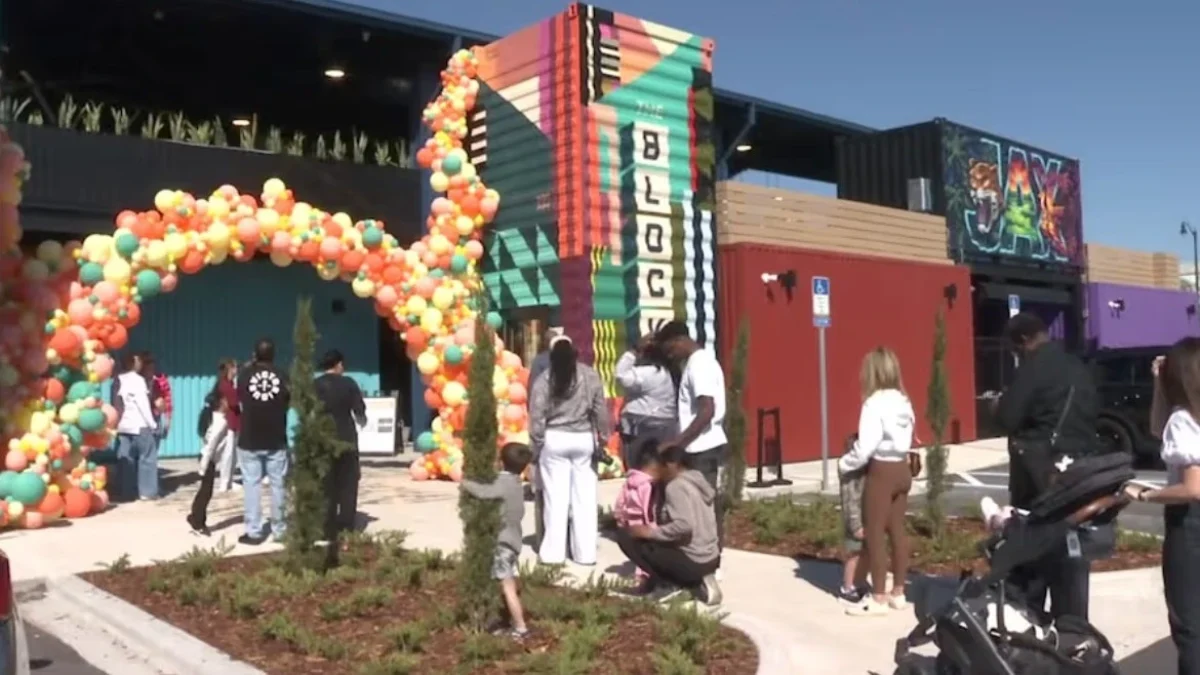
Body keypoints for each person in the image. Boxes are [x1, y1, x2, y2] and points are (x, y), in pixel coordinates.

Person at [994, 312, 1099, 621]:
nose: (1015, 355)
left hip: (1036, 470)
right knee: (1070, 547)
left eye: (1014, 349)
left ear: (1023, 341)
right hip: (1075, 469)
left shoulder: (1033, 368)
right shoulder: (1076, 367)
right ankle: (1072, 624)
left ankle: (1033, 618)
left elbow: (1008, 419)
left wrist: (998, 405)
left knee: (1033, 543)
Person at [1124, 340, 1200, 674]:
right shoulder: (1182, 418)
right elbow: (1159, 429)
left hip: (1191, 526)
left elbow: (1192, 489)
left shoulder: (1185, 420)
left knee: (1190, 625)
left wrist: (1145, 495)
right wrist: (1159, 385)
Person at [528, 334, 609, 566]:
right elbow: (600, 412)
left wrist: (536, 445)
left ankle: (553, 554)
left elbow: (537, 416)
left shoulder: (545, 379)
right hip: (583, 439)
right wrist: (602, 440)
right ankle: (586, 554)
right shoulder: (590, 376)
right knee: (585, 499)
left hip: (554, 439)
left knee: (556, 499)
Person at [617, 444, 722, 605]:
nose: (658, 470)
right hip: (711, 558)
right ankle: (696, 582)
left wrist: (649, 533)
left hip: (694, 559)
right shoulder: (697, 481)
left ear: (672, 465)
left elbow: (684, 526)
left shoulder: (676, 487)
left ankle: (671, 584)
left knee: (627, 536)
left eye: (661, 465)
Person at [655, 321, 727, 549]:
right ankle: (705, 552)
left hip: (702, 448)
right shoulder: (699, 362)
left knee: (702, 506)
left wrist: (678, 442)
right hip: (698, 446)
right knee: (699, 505)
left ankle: (710, 556)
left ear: (679, 340)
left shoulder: (699, 365)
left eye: (670, 350)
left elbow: (707, 410)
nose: (670, 356)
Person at [460, 443, 534, 640]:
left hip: (502, 544)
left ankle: (521, 628)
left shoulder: (504, 483)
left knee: (507, 588)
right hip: (513, 542)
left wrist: (465, 481)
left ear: (500, 462)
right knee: (507, 584)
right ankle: (508, 622)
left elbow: (484, 493)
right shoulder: (517, 483)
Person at [237, 338, 291, 546]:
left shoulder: (244, 375)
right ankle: (280, 530)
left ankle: (254, 532)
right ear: (273, 354)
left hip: (250, 437)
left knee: (252, 485)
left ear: (255, 354)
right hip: (276, 437)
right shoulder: (282, 375)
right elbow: (288, 400)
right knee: (279, 485)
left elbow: (241, 397)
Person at [315, 349, 367, 541]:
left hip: (324, 436)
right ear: (337, 364)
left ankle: (325, 526)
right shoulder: (349, 384)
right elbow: (360, 412)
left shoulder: (316, 385)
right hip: (346, 436)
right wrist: (362, 420)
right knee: (348, 482)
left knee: (325, 483)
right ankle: (346, 525)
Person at [614, 334, 678, 468]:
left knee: (639, 467)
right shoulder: (670, 373)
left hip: (641, 426)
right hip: (667, 424)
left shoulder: (649, 372)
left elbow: (621, 374)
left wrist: (634, 350)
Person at [613, 438, 663, 590]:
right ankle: (645, 579)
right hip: (644, 524)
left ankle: (642, 577)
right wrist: (652, 526)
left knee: (637, 551)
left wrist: (620, 518)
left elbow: (620, 502)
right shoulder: (648, 485)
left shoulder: (630, 481)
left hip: (631, 522)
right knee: (646, 553)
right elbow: (648, 507)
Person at [111, 352, 158, 501]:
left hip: (124, 426)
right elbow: (143, 404)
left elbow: (116, 403)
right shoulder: (138, 380)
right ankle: (147, 492)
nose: (140, 364)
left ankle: (126, 491)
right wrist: (152, 423)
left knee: (126, 459)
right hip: (140, 425)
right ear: (133, 364)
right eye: (138, 361)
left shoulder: (118, 380)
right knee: (147, 458)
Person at [188, 388, 231, 536]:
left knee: (205, 491)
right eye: (226, 400)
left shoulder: (217, 417)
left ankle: (195, 517)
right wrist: (204, 466)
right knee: (206, 492)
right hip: (207, 458)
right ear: (220, 403)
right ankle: (197, 522)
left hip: (208, 458)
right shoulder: (220, 421)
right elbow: (211, 445)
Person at [837, 433, 870, 605]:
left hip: (866, 518)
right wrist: (855, 525)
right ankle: (847, 588)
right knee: (854, 554)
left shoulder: (863, 470)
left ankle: (859, 582)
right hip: (854, 520)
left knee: (866, 552)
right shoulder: (850, 472)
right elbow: (850, 500)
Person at [213, 358, 241, 492]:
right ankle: (224, 482)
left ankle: (229, 481)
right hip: (229, 422)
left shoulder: (229, 384)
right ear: (229, 369)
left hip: (235, 421)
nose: (236, 370)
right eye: (234, 368)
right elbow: (234, 401)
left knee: (233, 454)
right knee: (228, 453)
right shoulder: (225, 385)